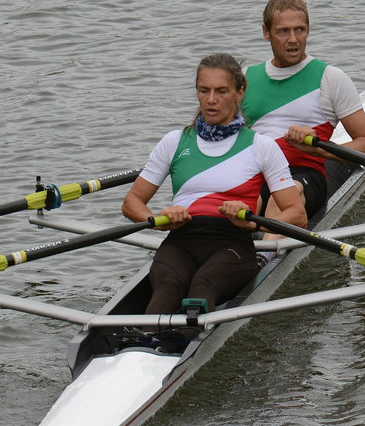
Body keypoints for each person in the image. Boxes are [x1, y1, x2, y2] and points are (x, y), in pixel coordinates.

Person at [121, 52, 307, 323]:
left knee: (202, 286)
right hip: (181, 241)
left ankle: (182, 343)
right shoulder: (174, 142)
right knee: (166, 289)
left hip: (232, 244)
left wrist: (253, 225)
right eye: (203, 90)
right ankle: (146, 346)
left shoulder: (262, 146)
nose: (211, 100)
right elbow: (131, 203)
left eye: (221, 91)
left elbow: (296, 214)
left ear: (239, 92)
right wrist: (157, 221)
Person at [241, 0, 365, 220]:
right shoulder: (245, 79)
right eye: (283, 31)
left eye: (300, 30)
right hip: (255, 175)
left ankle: (266, 255)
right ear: (266, 33)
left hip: (302, 177)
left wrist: (317, 149)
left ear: (308, 30)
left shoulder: (331, 78)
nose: (293, 39)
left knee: (281, 199)